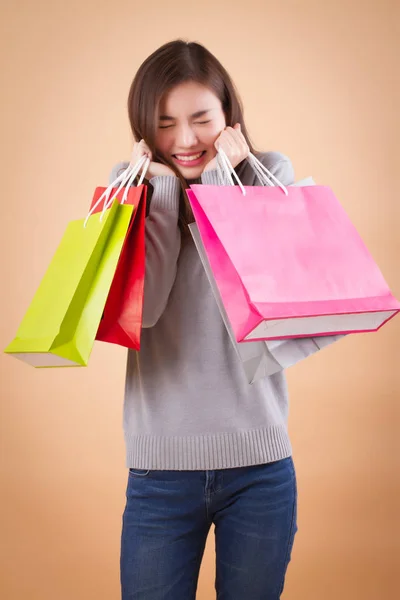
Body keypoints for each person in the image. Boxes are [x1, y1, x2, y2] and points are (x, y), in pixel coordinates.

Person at [110, 39, 339, 600]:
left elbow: (249, 298)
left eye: (201, 119)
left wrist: (222, 184)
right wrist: (161, 192)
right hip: (159, 476)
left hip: (260, 470)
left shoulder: (269, 177)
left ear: (229, 118)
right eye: (164, 123)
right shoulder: (128, 189)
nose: (184, 140)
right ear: (143, 126)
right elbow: (149, 307)